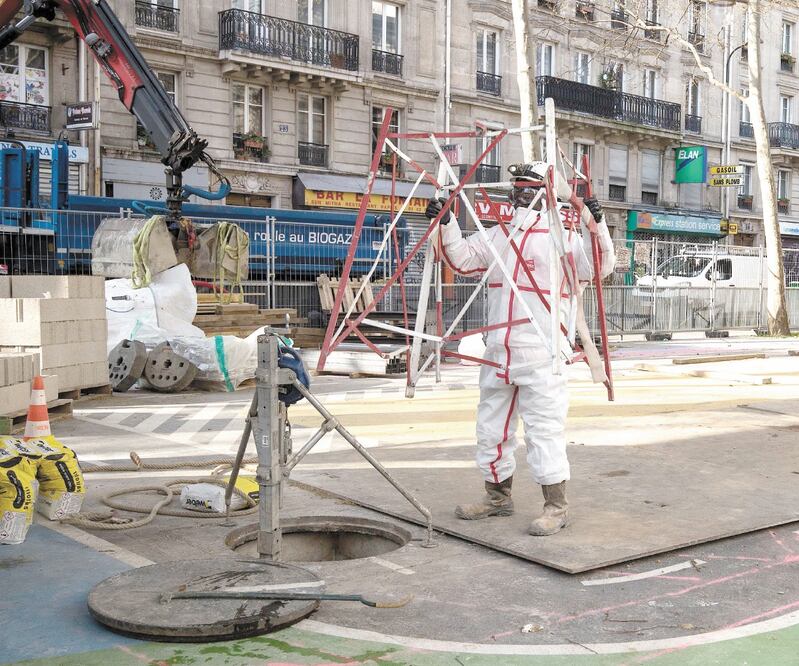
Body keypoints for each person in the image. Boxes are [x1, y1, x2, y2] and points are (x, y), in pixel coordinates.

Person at [425, 162, 614, 535]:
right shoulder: (497, 235)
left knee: (544, 431)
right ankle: (497, 498)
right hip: (498, 352)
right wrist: (445, 222)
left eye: (529, 190)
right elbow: (461, 259)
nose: (521, 196)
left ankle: (556, 507)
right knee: (491, 428)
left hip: (542, 353)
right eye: (517, 190)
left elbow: (599, 266)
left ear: (545, 196)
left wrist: (597, 225)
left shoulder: (563, 237)